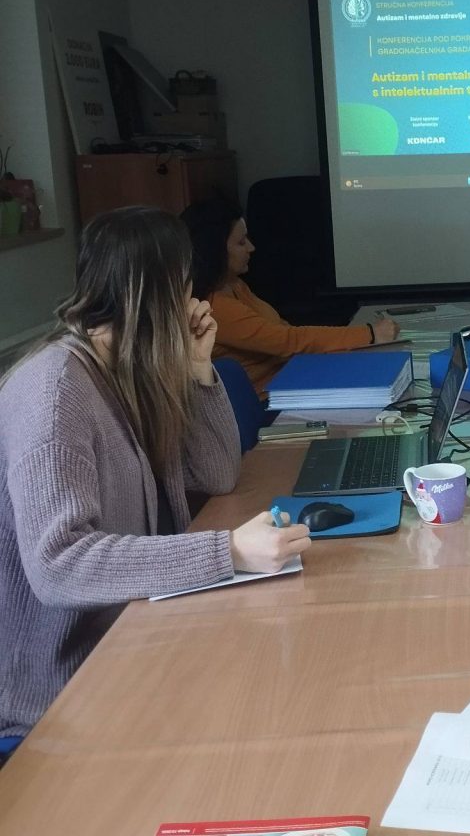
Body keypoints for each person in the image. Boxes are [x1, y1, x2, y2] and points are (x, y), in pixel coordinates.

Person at [0, 207, 311, 741]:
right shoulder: (54, 392)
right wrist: (228, 552)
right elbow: (58, 565)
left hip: (136, 632)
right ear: (159, 295)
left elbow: (217, 474)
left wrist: (197, 369)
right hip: (61, 692)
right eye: (187, 288)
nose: (196, 304)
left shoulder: (129, 367)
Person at [182, 198, 400, 395]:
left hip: (293, 378)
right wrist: (369, 333)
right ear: (214, 250)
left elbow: (282, 331)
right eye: (241, 242)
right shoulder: (214, 307)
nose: (251, 247)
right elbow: (286, 341)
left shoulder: (234, 285)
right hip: (272, 401)